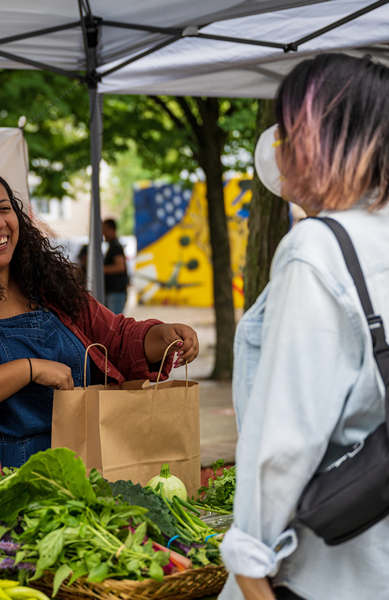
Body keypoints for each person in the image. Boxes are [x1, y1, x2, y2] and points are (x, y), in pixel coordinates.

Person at [0, 158, 199, 548]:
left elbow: (118, 339)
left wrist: (163, 335)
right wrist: (28, 369)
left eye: (5, 208)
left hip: (58, 502)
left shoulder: (51, 288)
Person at [219, 54, 389, 600]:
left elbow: (285, 441)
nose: (279, 146)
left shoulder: (318, 249)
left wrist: (249, 560)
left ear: (321, 139)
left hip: (325, 569)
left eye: (288, 130)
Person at [102, 218, 129, 313]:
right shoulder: (112, 246)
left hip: (116, 291)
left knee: (115, 320)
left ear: (112, 230)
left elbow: (120, 267)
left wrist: (100, 269)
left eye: (105, 230)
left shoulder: (116, 247)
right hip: (113, 291)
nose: (103, 233)